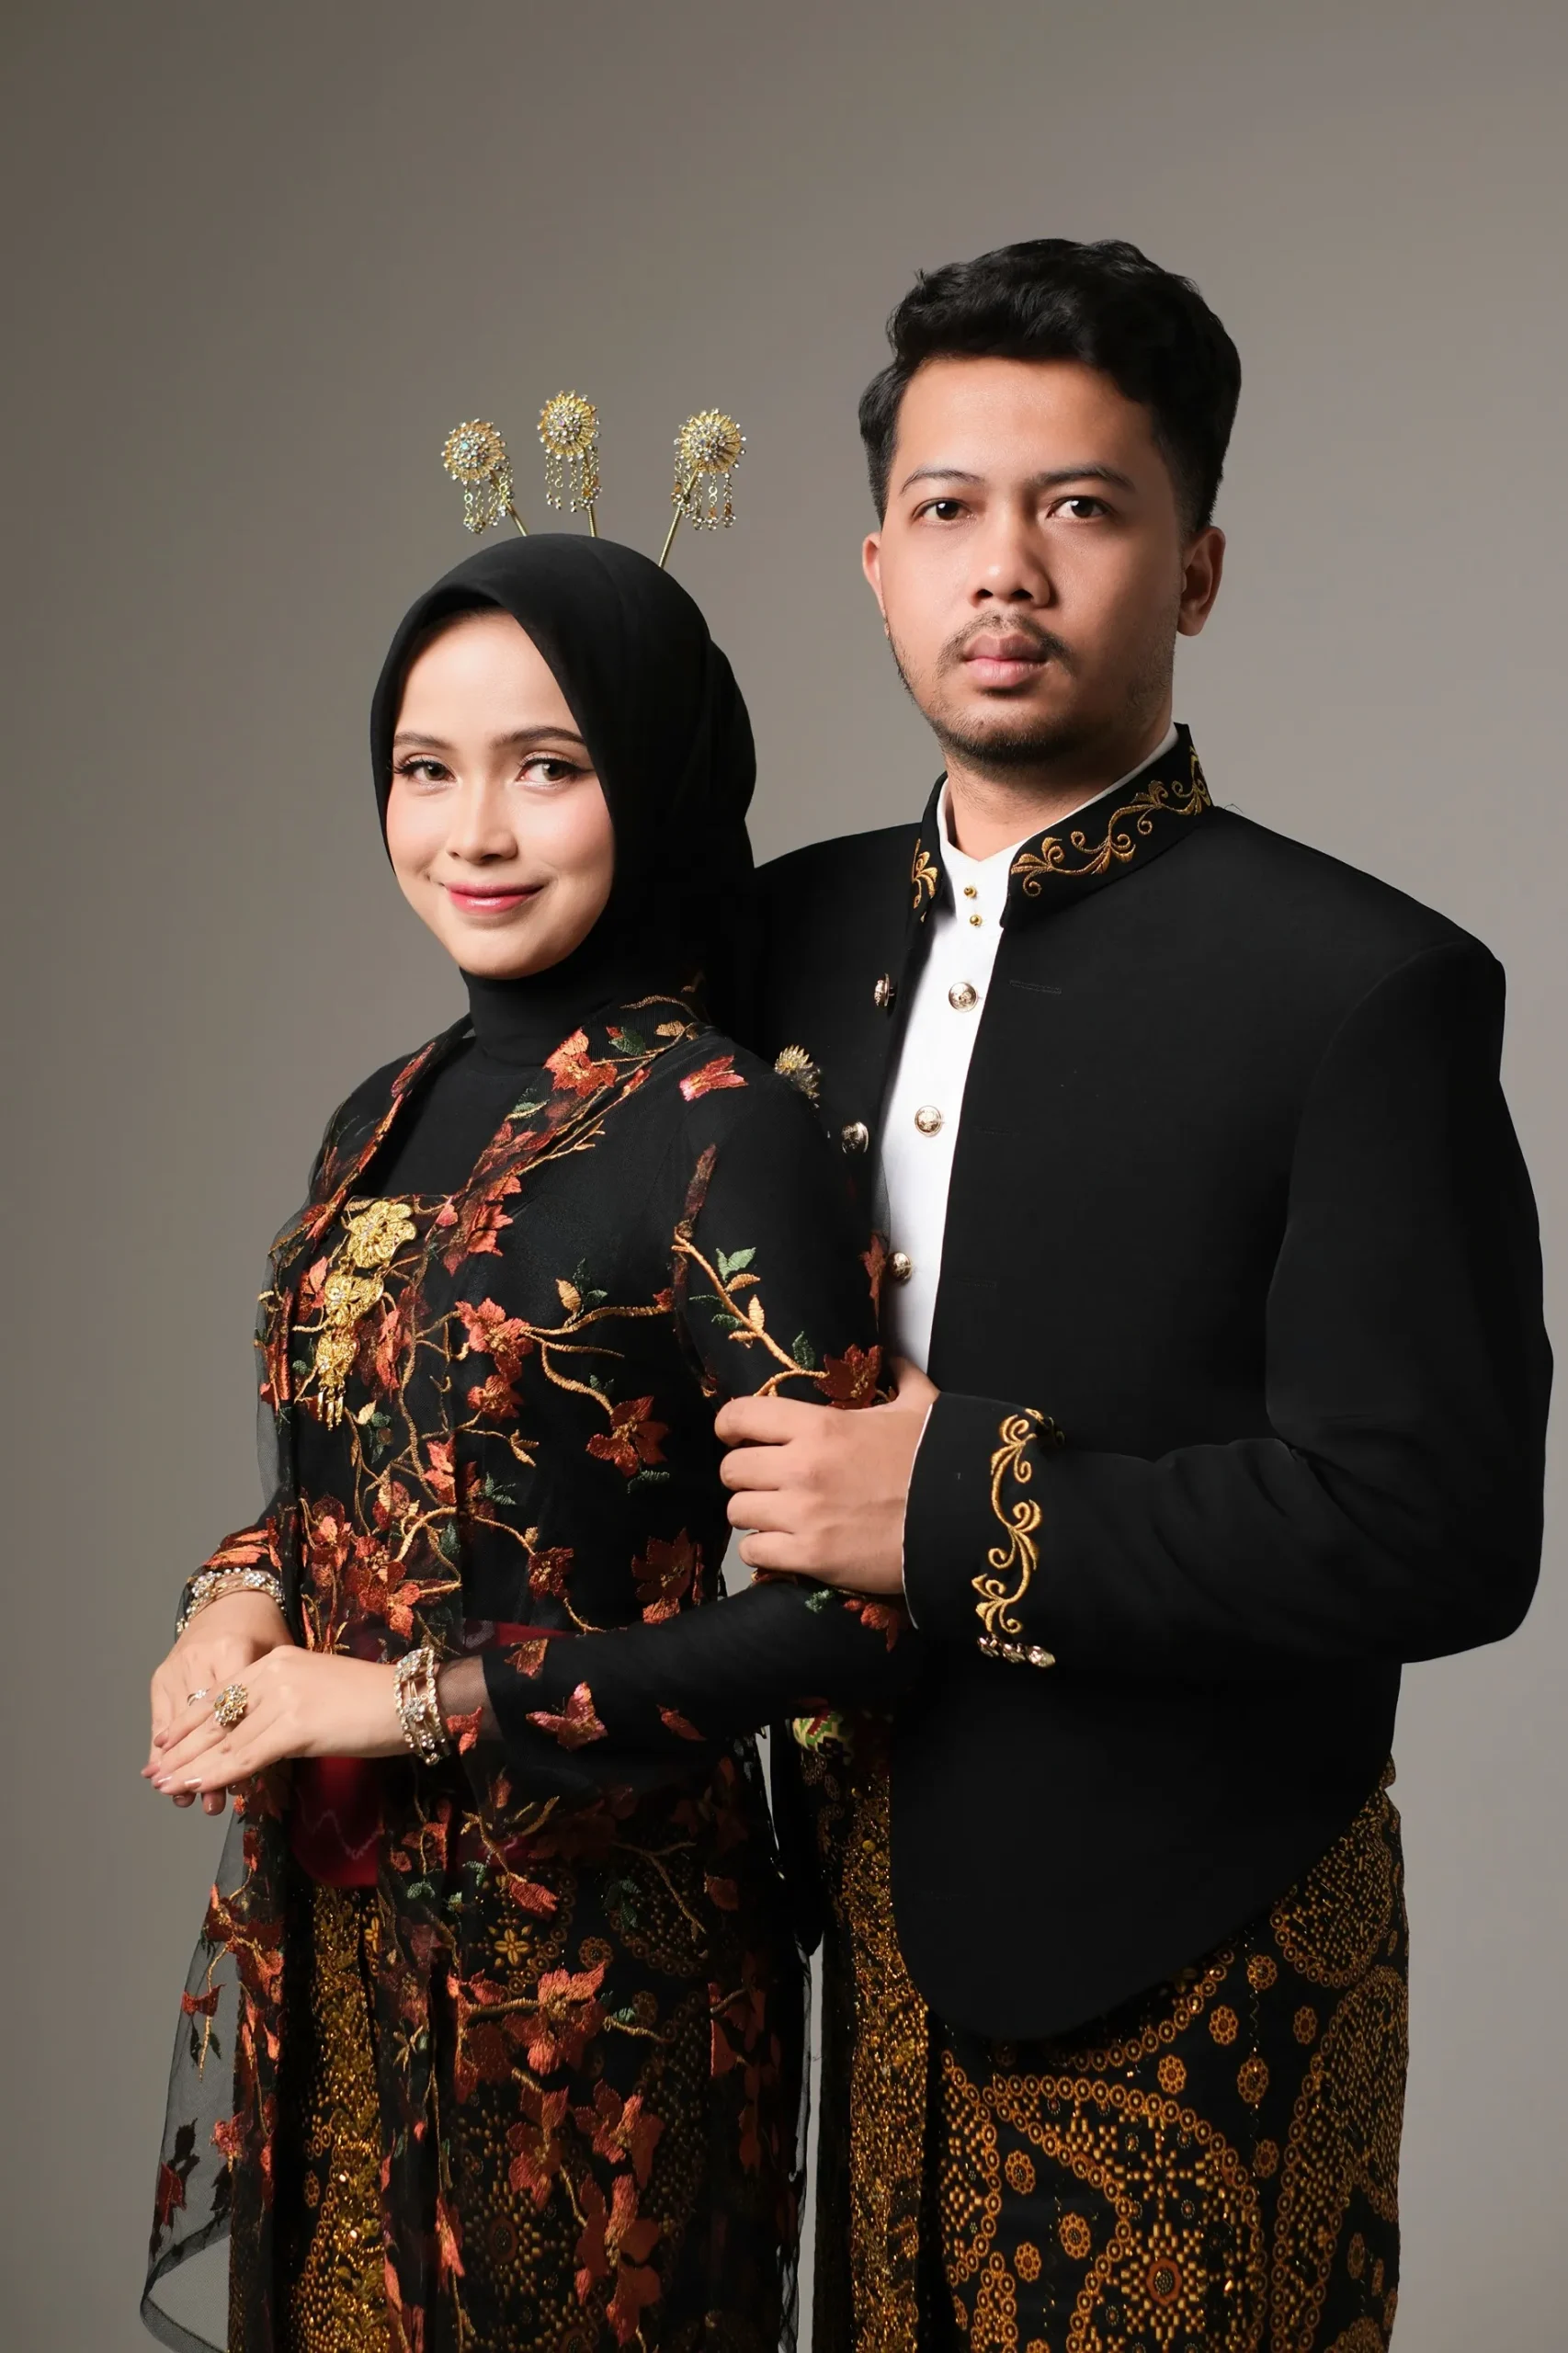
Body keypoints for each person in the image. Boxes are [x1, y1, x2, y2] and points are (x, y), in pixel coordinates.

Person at [483, 241, 1552, 2351]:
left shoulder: (1363, 988)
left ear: (1196, 567)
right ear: (876, 565)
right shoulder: (763, 946)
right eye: (950, 508)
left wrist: (952, 1497)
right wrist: (266, 1576)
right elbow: (507, 1310)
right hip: (834, 1933)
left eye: (1080, 506)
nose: (1006, 565)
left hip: (1206, 1936)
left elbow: (1437, 1520)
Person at [141, 534, 918, 2353]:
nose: (473, 831)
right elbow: (336, 1482)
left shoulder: (716, 1126)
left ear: (649, 778)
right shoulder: (381, 1109)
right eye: (426, 769)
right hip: (345, 1952)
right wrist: (232, 1603)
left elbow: (850, 1620)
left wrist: (407, 1701)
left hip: (601, 2001)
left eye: (546, 766)